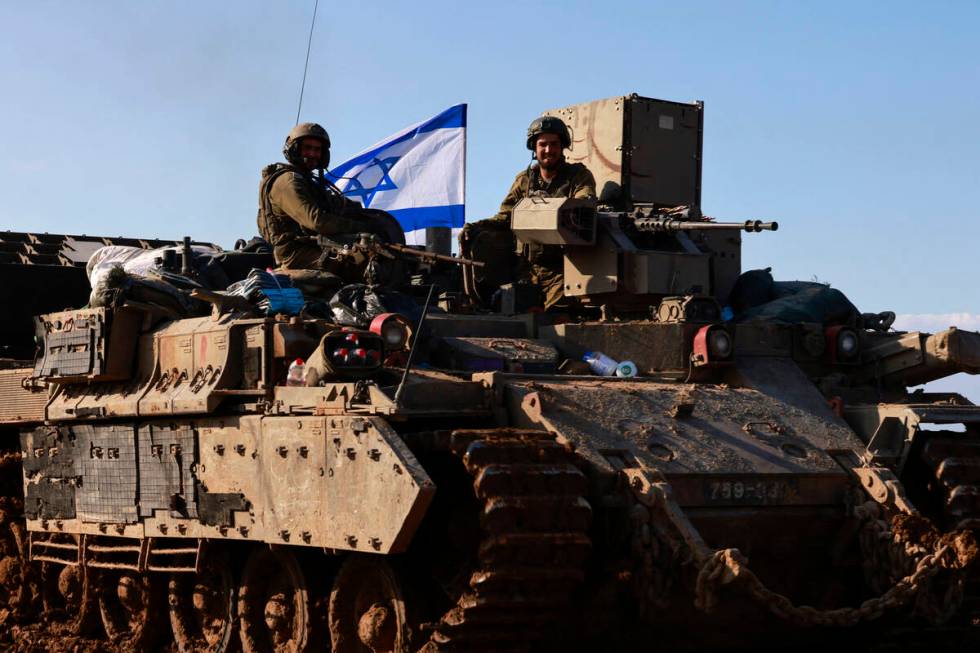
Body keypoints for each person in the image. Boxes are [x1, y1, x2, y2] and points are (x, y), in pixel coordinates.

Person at [477, 116, 596, 308]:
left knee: (555, 318)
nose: (548, 150)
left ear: (562, 146)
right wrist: (479, 226)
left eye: (554, 144)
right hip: (525, 270)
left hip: (561, 269)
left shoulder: (578, 176)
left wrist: (552, 209)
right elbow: (506, 216)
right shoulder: (524, 180)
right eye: (543, 145)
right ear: (534, 148)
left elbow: (585, 201)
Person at [257, 122, 377, 270]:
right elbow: (316, 221)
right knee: (366, 266)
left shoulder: (307, 181)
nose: (313, 154)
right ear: (294, 150)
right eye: (307, 148)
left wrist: (364, 215)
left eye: (317, 150)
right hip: (295, 254)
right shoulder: (287, 181)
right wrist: (360, 227)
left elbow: (335, 204)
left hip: (316, 245)